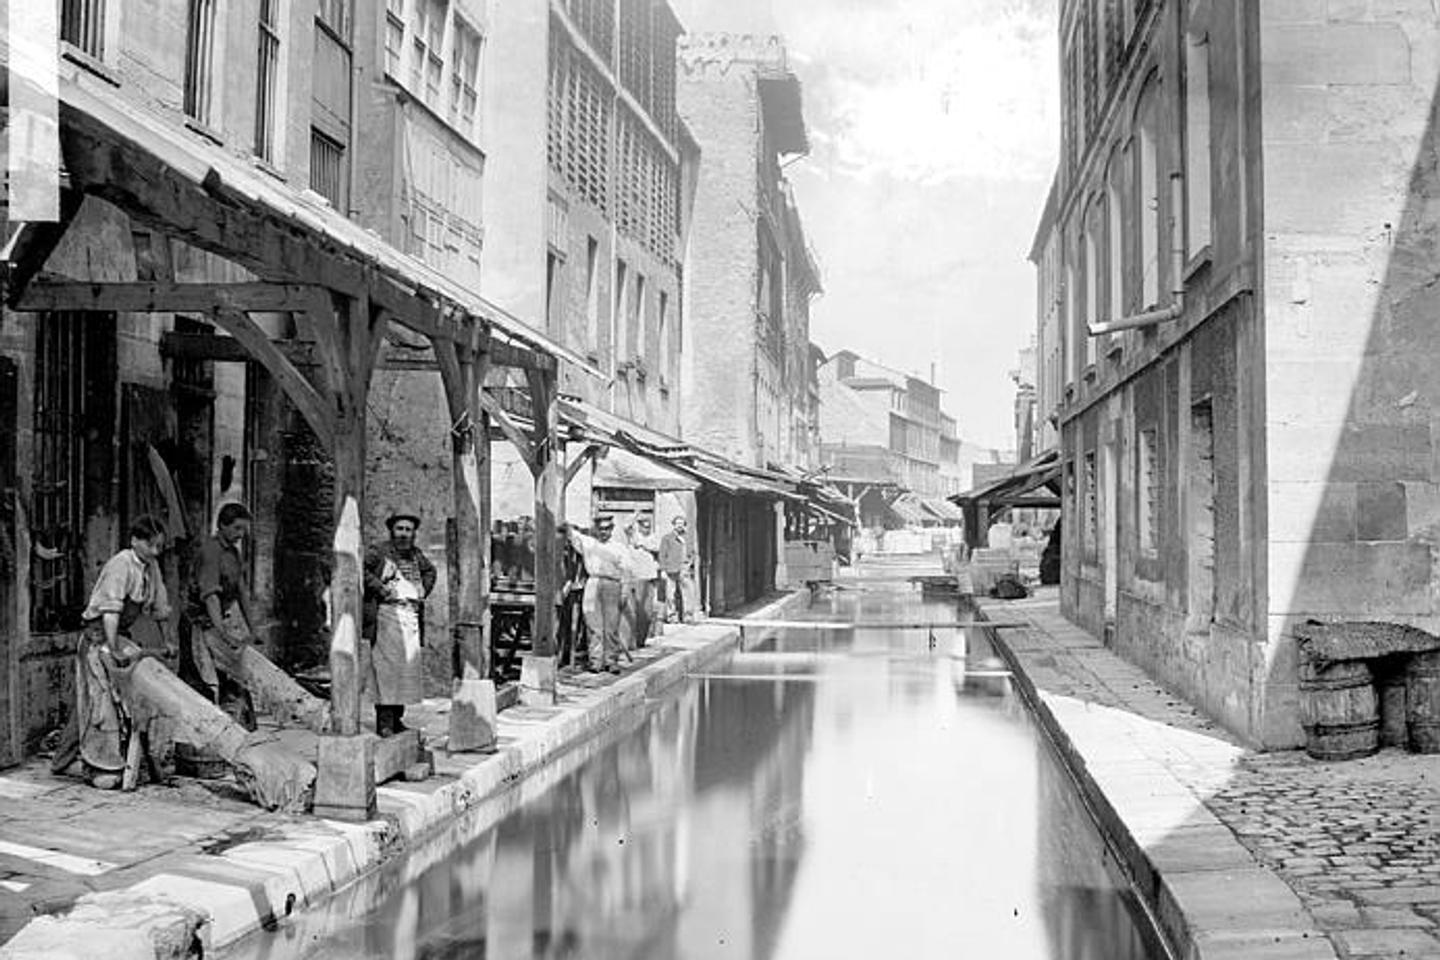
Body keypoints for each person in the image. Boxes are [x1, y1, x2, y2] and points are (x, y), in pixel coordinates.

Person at [54, 516, 172, 789]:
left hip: (119, 635)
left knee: (90, 701)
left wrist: (167, 642)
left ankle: (62, 759)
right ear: (135, 541)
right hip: (98, 638)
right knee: (99, 702)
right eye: (150, 545)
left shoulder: (151, 568)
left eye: (159, 547)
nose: (155, 552)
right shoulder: (121, 564)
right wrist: (113, 648)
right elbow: (110, 611)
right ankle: (100, 765)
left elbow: (160, 608)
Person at [186, 502, 258, 730]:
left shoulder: (233, 553)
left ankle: (239, 730)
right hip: (199, 623)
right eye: (237, 529)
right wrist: (221, 632)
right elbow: (211, 597)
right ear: (222, 526)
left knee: (235, 674)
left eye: (243, 530)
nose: (240, 535)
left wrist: (252, 628)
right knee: (205, 682)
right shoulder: (211, 552)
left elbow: (241, 591)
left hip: (217, 620)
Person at [364, 512, 437, 737]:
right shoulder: (379, 551)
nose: (404, 534)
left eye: (408, 530)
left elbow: (430, 571)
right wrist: (380, 588)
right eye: (400, 529)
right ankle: (384, 723)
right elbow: (361, 570)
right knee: (386, 672)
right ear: (392, 531)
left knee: (405, 672)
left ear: (414, 533)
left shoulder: (416, 555)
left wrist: (422, 589)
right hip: (387, 617)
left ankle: (397, 720)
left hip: (409, 617)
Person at [563, 515, 628, 674]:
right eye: (600, 529)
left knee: (611, 624)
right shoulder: (589, 543)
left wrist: (624, 591)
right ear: (596, 530)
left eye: (607, 529)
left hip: (612, 584)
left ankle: (611, 661)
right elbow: (571, 533)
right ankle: (596, 661)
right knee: (593, 622)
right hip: (593, 582)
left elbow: (626, 571)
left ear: (612, 530)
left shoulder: (619, 547)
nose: (603, 532)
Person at [626, 514, 661, 645]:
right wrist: (634, 516)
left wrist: (643, 544)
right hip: (637, 577)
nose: (646, 529)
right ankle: (634, 639)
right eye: (644, 526)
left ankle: (642, 638)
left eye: (648, 527)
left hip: (650, 577)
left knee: (648, 611)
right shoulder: (634, 536)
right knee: (637, 609)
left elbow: (656, 547)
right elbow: (626, 527)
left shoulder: (653, 538)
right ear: (639, 526)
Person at [658, 515, 696, 624]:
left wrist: (690, 563)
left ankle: (688, 616)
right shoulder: (667, 538)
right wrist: (663, 570)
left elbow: (692, 552)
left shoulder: (687, 538)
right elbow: (662, 555)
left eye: (682, 523)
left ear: (684, 525)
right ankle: (672, 616)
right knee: (670, 595)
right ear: (673, 525)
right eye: (677, 523)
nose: (679, 526)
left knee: (687, 594)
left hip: (684, 568)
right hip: (671, 569)